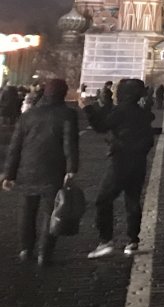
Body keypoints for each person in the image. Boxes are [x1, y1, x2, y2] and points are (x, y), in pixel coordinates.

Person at [1, 79, 79, 266]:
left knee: (27, 211)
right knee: (49, 212)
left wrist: (9, 174)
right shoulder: (67, 114)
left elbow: (15, 147)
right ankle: (44, 253)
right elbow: (70, 144)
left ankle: (26, 249)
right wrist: (71, 169)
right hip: (53, 169)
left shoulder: (29, 115)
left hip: (27, 168)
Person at [86, 78, 155, 258]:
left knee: (103, 199)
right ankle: (132, 241)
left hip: (120, 161)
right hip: (139, 162)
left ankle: (106, 240)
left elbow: (101, 126)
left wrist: (87, 109)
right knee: (132, 200)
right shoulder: (141, 113)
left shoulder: (122, 110)